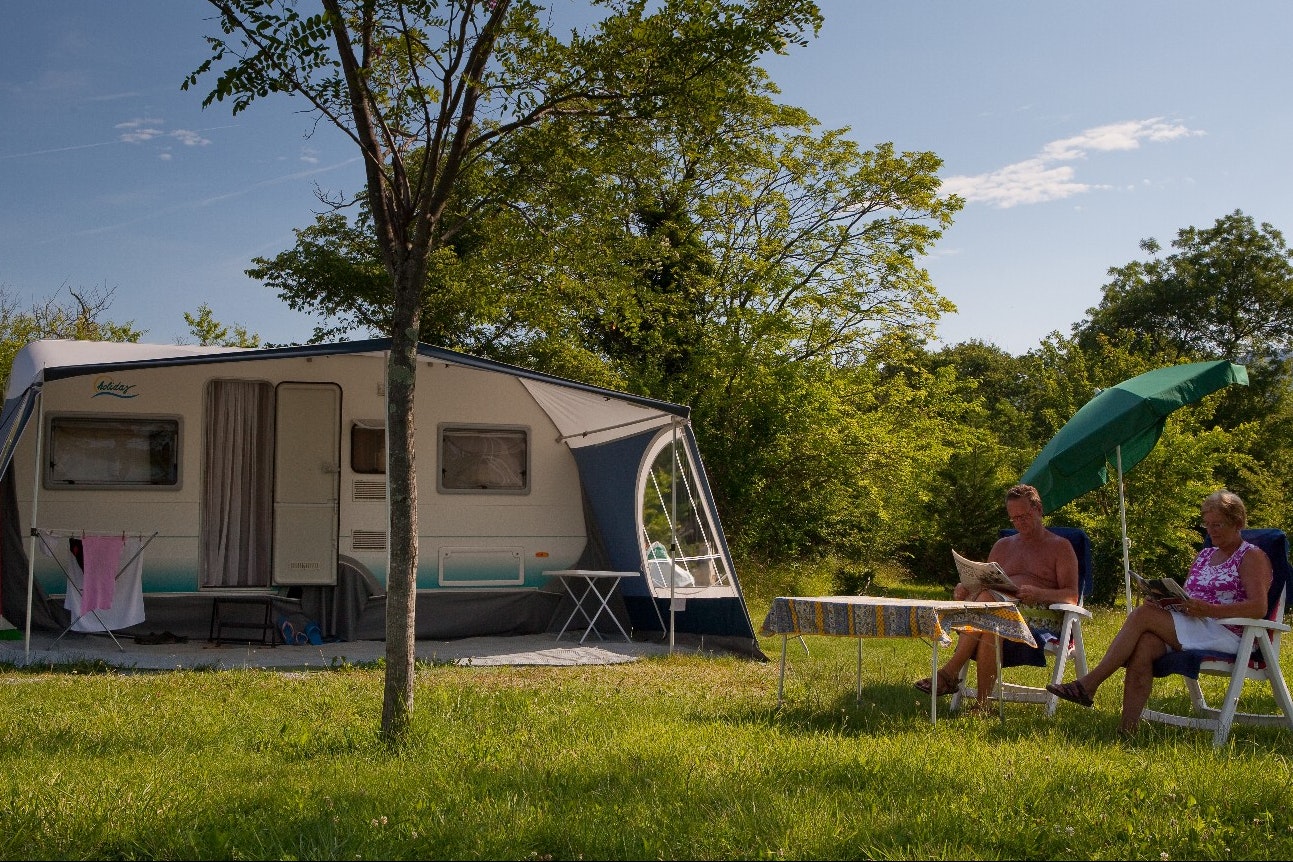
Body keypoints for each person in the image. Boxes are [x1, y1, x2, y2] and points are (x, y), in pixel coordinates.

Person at [1046, 489, 1272, 735]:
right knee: (1145, 644)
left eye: (1217, 525)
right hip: (1198, 625)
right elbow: (1189, 595)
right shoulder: (1205, 555)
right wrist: (1165, 602)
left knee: (1143, 615)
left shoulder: (1250, 556)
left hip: (1229, 632)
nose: (1211, 531)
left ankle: (1089, 684)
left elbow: (1258, 607)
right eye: (1207, 525)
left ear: (1238, 522)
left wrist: (1210, 609)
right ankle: (1127, 730)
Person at [914, 483, 1080, 711]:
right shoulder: (1003, 546)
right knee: (990, 616)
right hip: (1000, 613)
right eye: (1014, 519)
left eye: (1024, 515)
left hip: (1040, 617)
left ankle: (949, 673)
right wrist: (965, 589)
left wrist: (1040, 593)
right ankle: (983, 706)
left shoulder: (1060, 547)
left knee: (989, 611)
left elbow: (1072, 595)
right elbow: (986, 584)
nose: (1020, 522)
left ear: (1039, 509)